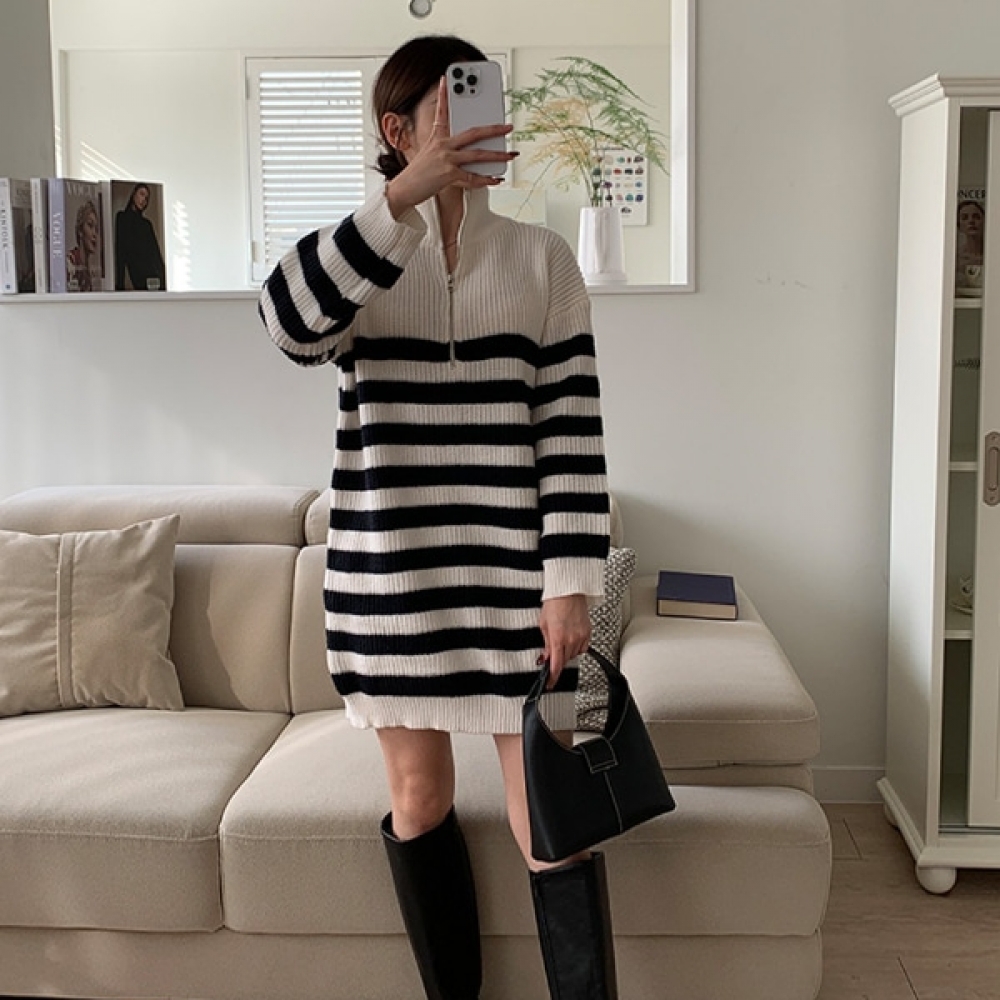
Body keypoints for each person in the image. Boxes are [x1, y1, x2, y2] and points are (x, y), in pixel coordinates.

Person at [259, 34, 614, 1000]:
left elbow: (571, 434)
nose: (476, 124)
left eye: (487, 100)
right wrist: (401, 202)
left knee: (553, 824)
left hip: (516, 596)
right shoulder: (363, 260)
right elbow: (286, 324)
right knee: (418, 800)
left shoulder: (542, 260)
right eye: (452, 109)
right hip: (393, 588)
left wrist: (571, 585)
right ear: (398, 129)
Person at [115, 183, 166, 291]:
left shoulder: (146, 224)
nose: (143, 200)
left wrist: (164, 282)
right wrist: (119, 286)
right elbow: (120, 253)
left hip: (152, 277)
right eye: (141, 194)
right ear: (134, 194)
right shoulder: (122, 218)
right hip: (138, 277)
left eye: (146, 198)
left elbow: (155, 255)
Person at [67, 199, 101, 292]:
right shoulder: (70, 262)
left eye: (97, 229)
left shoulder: (90, 268)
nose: (94, 234)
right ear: (80, 231)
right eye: (90, 225)